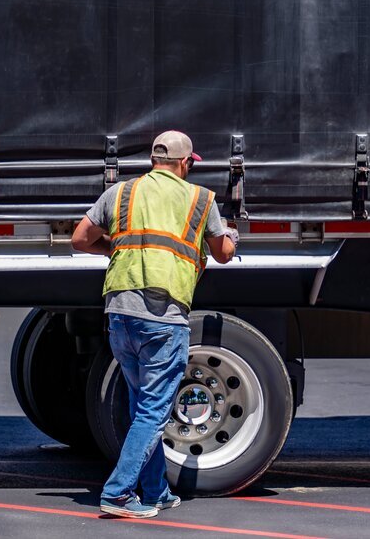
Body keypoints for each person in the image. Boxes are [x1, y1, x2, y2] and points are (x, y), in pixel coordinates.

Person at [71, 130, 238, 519]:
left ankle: (155, 490)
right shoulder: (200, 199)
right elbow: (223, 254)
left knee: (141, 404)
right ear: (185, 163)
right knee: (153, 411)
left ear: (153, 160)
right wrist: (231, 234)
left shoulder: (122, 193)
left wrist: (114, 246)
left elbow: (80, 239)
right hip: (163, 317)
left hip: (120, 312)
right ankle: (118, 493)